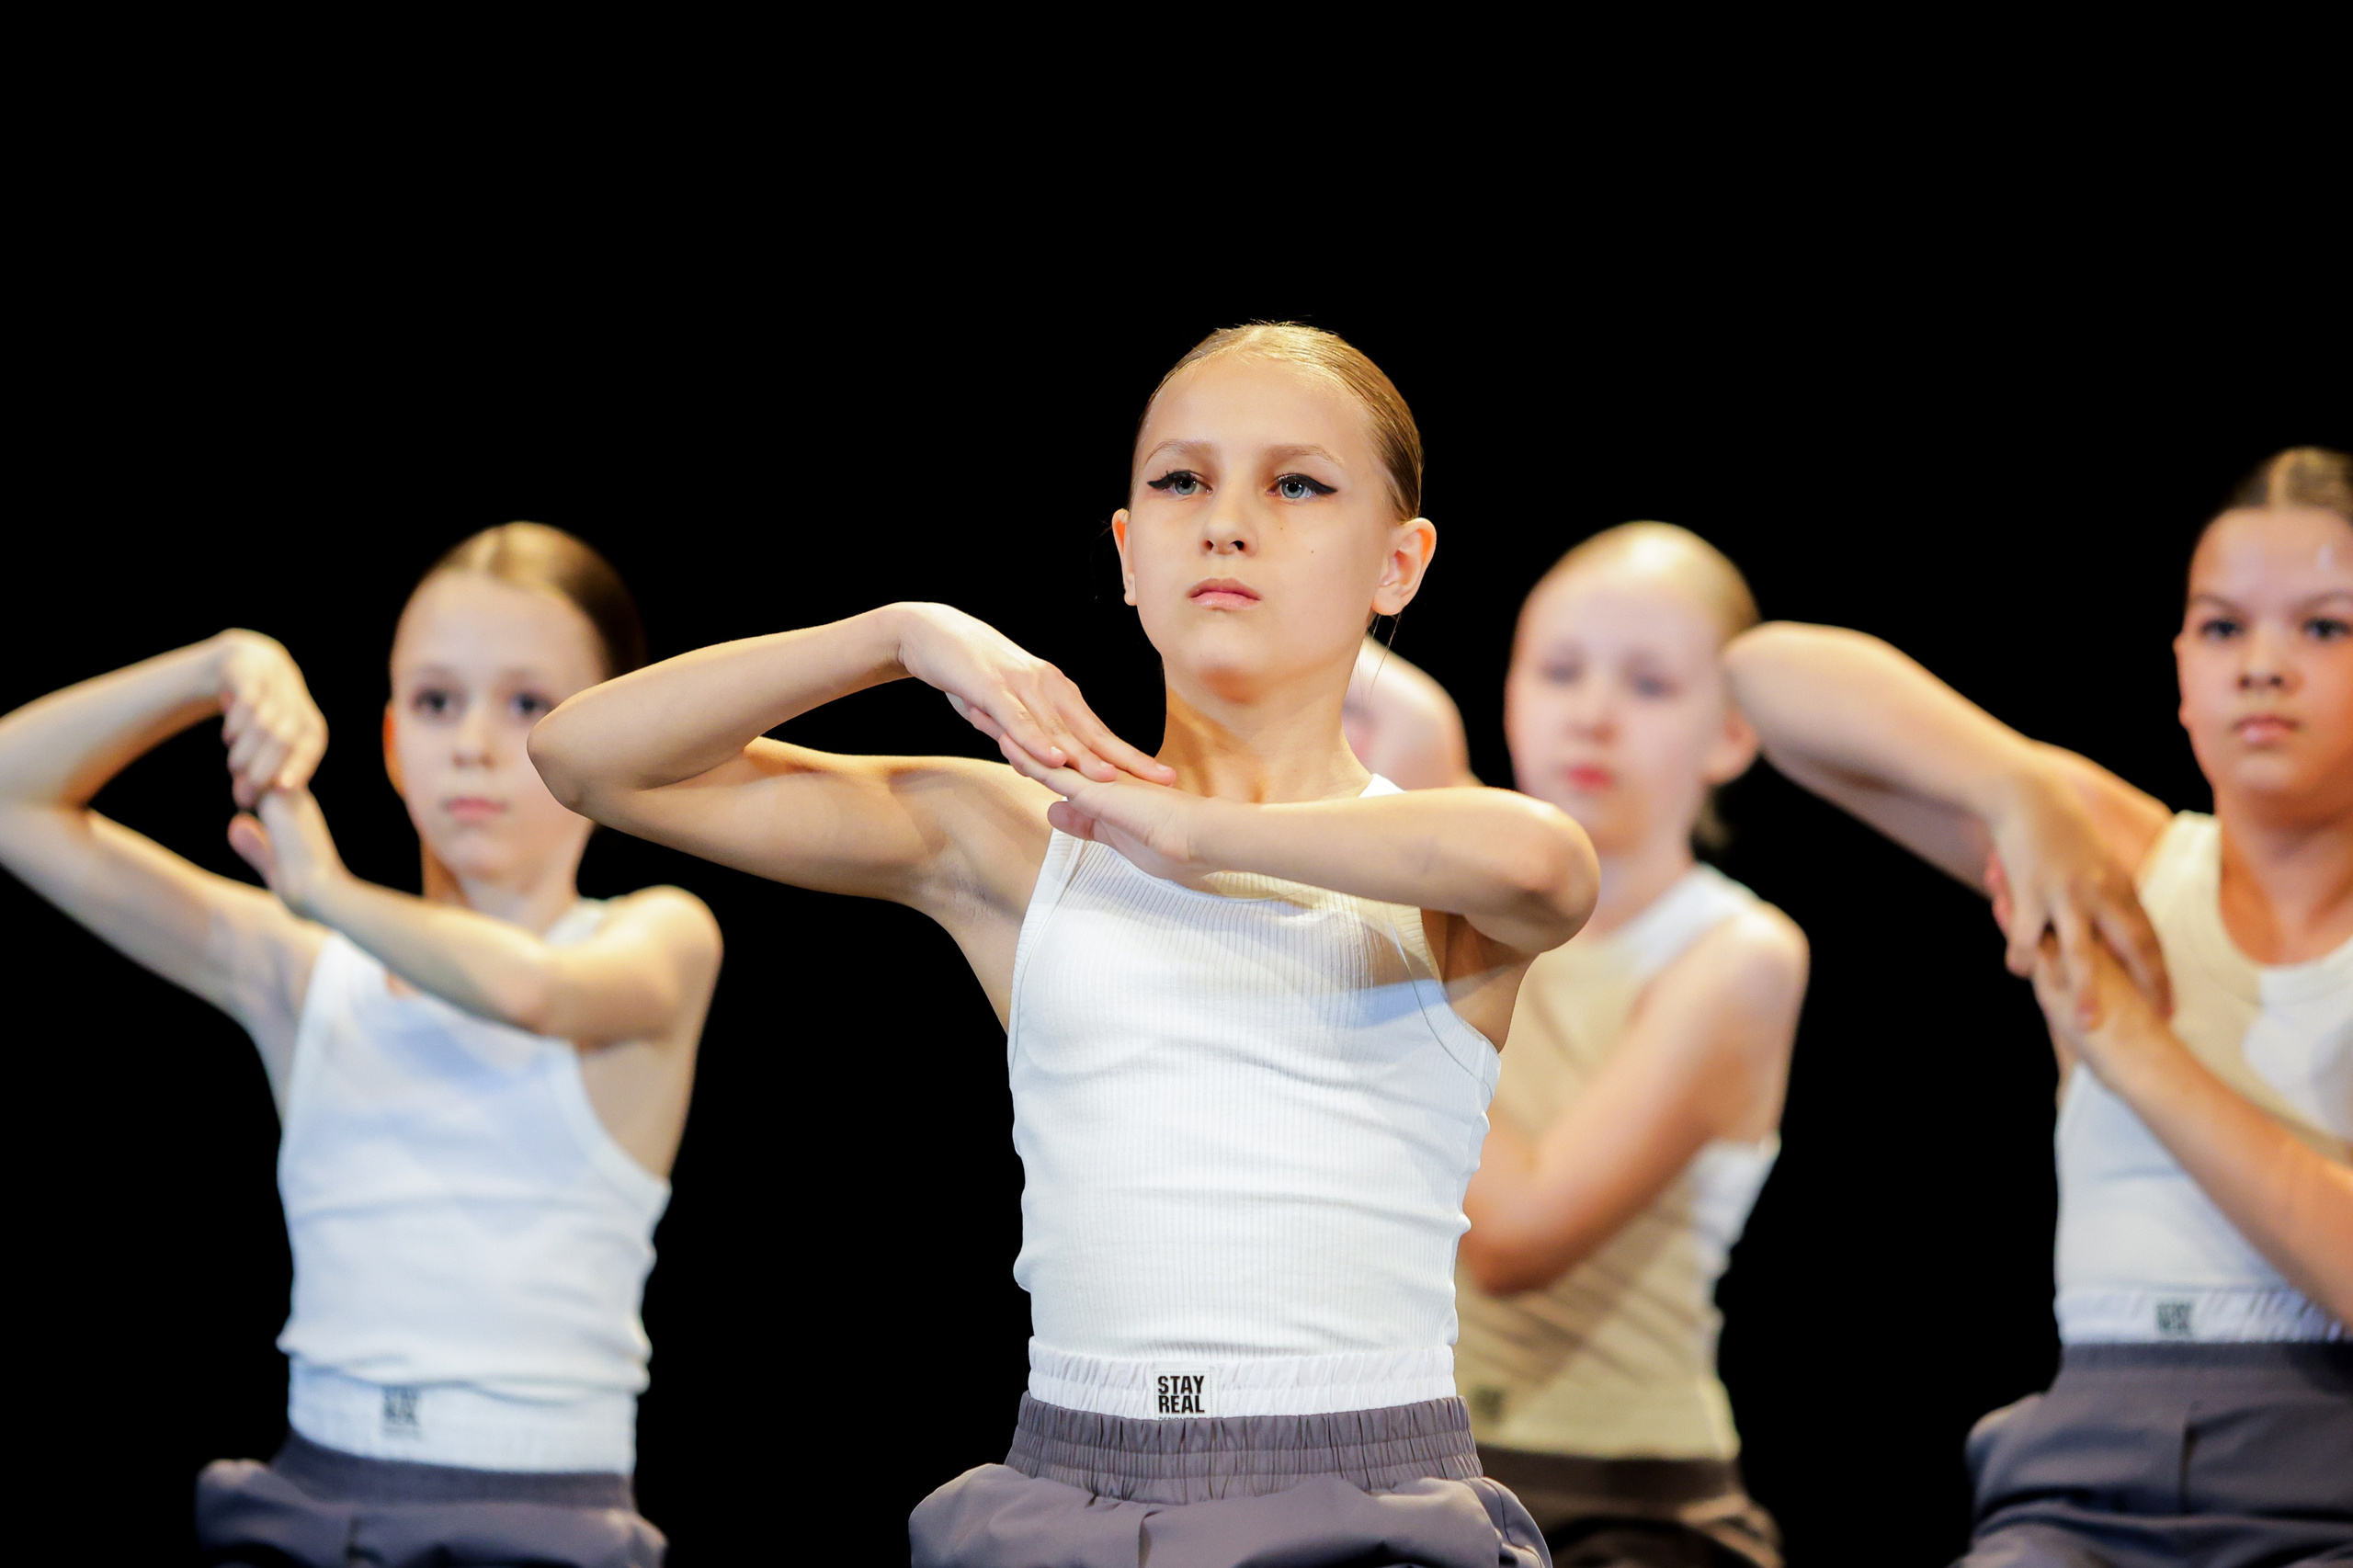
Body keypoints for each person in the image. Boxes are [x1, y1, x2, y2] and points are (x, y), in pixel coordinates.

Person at [529, 323, 1600, 1567]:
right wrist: (902, 632)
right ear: (1128, 552)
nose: (1228, 520)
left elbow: (1548, 862)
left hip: (1360, 1498)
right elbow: (583, 756)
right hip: (1070, 1488)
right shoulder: (1029, 842)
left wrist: (1202, 834)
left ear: (1399, 563)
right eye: (1181, 480)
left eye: (1296, 483)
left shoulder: (1434, 870)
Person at [0, 523, 721, 1567]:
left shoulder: (656, 936)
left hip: (544, 1529)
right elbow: (11, 799)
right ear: (388, 739)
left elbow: (530, 990)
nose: (473, 741)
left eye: (527, 702)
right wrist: (218, 665)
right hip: (306, 1506)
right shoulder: (301, 967)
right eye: (436, 699)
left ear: (608, 737)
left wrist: (331, 893)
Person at [1721, 448, 2353, 1565]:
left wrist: (2132, 1049)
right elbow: (1766, 676)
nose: (2261, 666)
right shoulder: (2123, 861)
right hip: (2081, 1476)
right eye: (2220, 628)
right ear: (2178, 669)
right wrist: (2007, 784)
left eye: (2323, 627)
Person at [1348, 526, 1804, 1566]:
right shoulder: (1444, 882)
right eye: (1557, 671)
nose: (1592, 712)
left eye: (1648, 684)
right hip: (1410, 1463)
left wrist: (1427, 807)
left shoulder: (1738, 954)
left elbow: (1514, 1238)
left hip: (1633, 1503)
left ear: (1730, 734)